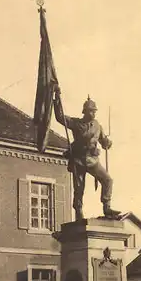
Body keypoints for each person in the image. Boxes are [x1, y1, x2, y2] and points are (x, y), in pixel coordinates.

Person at [53, 86, 121, 221]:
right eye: (91, 111)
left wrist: (108, 143)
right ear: (85, 111)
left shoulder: (97, 125)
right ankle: (78, 210)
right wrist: (57, 98)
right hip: (78, 160)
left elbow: (103, 140)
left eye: (94, 111)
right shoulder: (76, 123)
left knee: (107, 180)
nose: (93, 114)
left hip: (92, 160)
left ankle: (107, 207)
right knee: (79, 188)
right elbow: (60, 117)